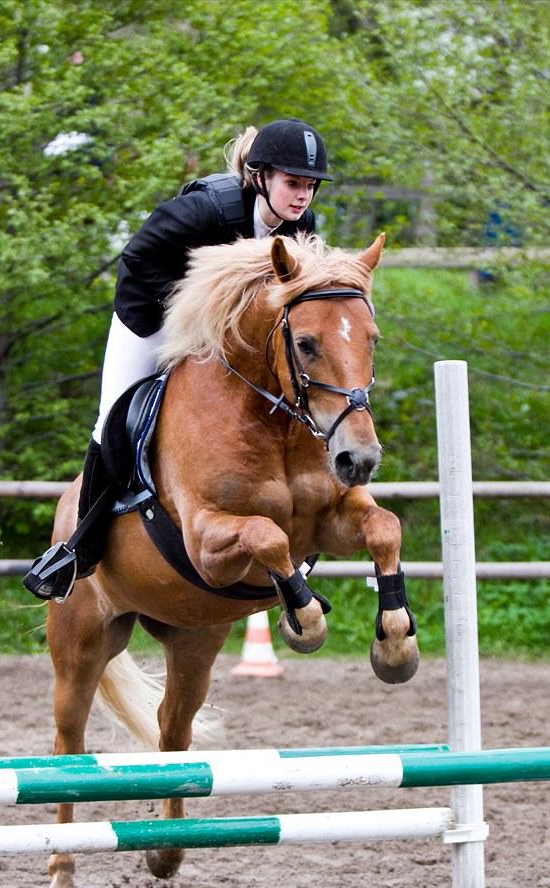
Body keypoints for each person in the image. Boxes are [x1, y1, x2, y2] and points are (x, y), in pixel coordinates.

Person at [24, 118, 333, 601]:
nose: (302, 197)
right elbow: (137, 259)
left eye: (310, 186)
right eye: (293, 183)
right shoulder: (203, 211)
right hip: (152, 317)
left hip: (227, 334)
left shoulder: (301, 227)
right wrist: (193, 315)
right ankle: (78, 548)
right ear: (261, 177)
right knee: (113, 418)